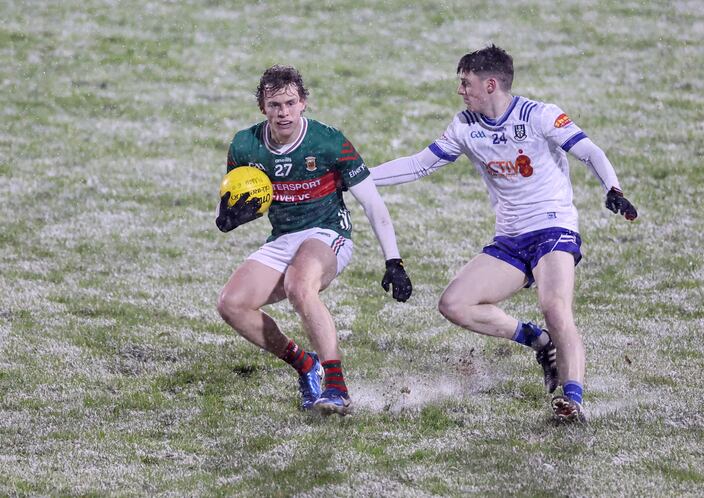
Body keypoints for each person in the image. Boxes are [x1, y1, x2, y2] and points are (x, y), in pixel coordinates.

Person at [369, 45, 637, 423]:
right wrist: (358, 178)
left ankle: (572, 400)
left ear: (490, 83)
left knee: (555, 306)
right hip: (510, 238)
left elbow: (589, 151)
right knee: (454, 305)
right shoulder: (465, 126)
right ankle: (538, 341)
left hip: (553, 226)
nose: (461, 90)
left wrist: (613, 188)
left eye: (466, 83)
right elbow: (418, 166)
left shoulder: (539, 115)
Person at [215, 64, 412, 416]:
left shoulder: (328, 142)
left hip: (327, 232)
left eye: (290, 103)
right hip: (283, 238)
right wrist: (228, 218)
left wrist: (393, 261)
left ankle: (336, 386)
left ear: (304, 102)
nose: (283, 112)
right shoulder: (245, 145)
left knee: (299, 284)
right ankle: (307, 366)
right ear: (263, 107)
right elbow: (235, 199)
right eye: (275, 105)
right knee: (231, 304)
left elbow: (372, 202)